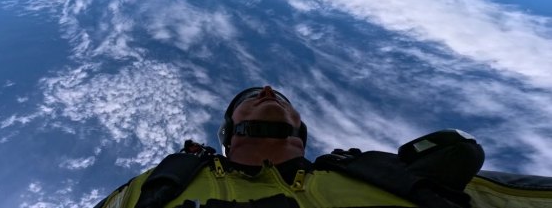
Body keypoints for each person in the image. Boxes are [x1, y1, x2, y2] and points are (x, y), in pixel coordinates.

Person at [95, 86, 485, 208]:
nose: (267, 91)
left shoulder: (386, 173)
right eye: (251, 98)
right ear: (229, 130)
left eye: (282, 99)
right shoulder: (160, 183)